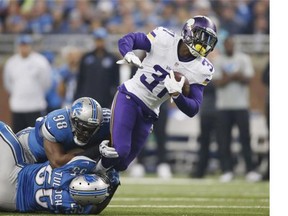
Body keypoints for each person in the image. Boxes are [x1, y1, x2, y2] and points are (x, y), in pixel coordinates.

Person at [94, 15, 218, 174]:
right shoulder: (164, 38)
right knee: (120, 150)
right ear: (188, 31)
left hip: (150, 112)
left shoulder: (202, 69)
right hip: (130, 96)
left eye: (208, 40)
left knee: (122, 164)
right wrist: (127, 53)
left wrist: (176, 95)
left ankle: (100, 171)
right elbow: (130, 38)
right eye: (202, 37)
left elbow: (193, 108)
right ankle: (94, 171)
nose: (204, 44)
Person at [0, 121, 120, 214]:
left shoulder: (66, 174)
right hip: (12, 203)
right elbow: (95, 209)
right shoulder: (72, 206)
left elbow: (80, 157)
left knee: (2, 128)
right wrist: (112, 186)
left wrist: (100, 150)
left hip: (14, 175)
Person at [16, 96, 118, 168]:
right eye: (83, 127)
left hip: (58, 156)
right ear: (73, 120)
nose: (87, 132)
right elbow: (57, 163)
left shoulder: (107, 120)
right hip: (26, 151)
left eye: (92, 128)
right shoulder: (57, 124)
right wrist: (97, 150)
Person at [213, 35, 262, 182]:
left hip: (241, 105)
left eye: (231, 45)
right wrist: (234, 77)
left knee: (245, 139)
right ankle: (227, 170)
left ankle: (250, 170)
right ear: (224, 46)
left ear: (234, 46)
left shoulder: (243, 59)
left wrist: (230, 77)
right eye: (226, 45)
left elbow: (248, 79)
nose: (229, 47)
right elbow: (217, 82)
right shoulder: (218, 60)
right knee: (224, 140)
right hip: (223, 106)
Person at [3, 34, 52, 133]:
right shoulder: (11, 62)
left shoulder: (40, 61)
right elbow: (8, 83)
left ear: (31, 46)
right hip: (18, 106)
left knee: (37, 135)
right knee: (18, 135)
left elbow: (46, 82)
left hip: (35, 105)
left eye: (26, 45)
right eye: (22, 45)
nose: (24, 48)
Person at [74, 27, 120, 108]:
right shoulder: (86, 57)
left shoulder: (112, 59)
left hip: (105, 98)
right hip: (88, 98)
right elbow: (80, 79)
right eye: (97, 40)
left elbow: (116, 80)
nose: (99, 43)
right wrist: (77, 96)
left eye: (101, 40)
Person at [191, 81, 217, 178]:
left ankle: (226, 169)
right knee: (204, 142)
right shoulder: (202, 70)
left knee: (223, 143)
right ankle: (200, 170)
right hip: (206, 111)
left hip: (221, 111)